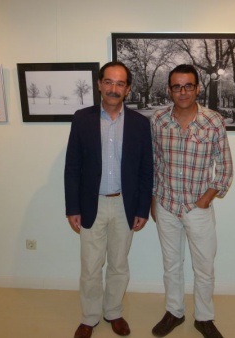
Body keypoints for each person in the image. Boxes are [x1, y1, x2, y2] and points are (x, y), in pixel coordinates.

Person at [64, 61, 153, 338]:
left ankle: (113, 311)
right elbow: (73, 166)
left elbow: (145, 169)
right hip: (92, 205)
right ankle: (89, 317)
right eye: (109, 82)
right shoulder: (82, 118)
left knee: (118, 264)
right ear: (100, 84)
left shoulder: (140, 123)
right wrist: (73, 207)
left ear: (127, 89)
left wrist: (142, 208)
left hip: (125, 204)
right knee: (91, 266)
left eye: (120, 83)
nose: (114, 88)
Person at [150, 64, 233, 338]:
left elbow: (225, 167)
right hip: (166, 204)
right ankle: (174, 312)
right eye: (177, 86)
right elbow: (152, 163)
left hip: (198, 207)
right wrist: (153, 198)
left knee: (204, 266)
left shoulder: (213, 121)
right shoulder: (158, 120)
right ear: (169, 90)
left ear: (198, 88)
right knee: (171, 264)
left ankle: (204, 317)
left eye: (188, 86)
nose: (183, 92)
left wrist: (207, 199)